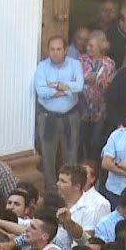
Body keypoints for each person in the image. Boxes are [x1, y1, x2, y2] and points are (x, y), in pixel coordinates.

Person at [33, 36, 84, 193]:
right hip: (47, 117)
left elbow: (79, 86)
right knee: (48, 156)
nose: (55, 53)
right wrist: (66, 89)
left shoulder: (75, 64)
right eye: (52, 49)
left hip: (70, 117)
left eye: (59, 49)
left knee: (71, 153)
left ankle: (70, 189)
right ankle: (51, 190)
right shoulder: (42, 67)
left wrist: (55, 86)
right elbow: (41, 91)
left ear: (65, 50)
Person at [78, 30, 116, 160]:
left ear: (101, 46)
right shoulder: (81, 60)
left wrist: (105, 84)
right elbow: (78, 78)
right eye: (87, 45)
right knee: (80, 140)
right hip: (82, 107)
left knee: (95, 142)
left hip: (100, 109)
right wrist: (87, 79)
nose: (88, 48)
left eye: (91, 45)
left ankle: (93, 167)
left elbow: (110, 83)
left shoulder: (109, 63)